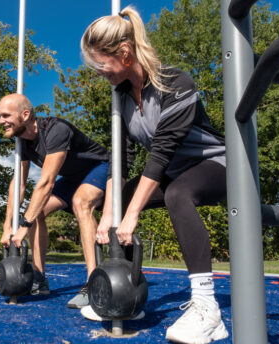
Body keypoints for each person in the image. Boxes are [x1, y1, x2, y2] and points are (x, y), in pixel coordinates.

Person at [80, 6, 229, 343]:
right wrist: (109, 214)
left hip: (216, 165)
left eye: (101, 65)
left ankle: (208, 310)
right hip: (174, 171)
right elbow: (120, 161)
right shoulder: (120, 98)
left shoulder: (176, 83)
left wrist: (129, 216)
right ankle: (127, 296)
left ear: (124, 53)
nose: (99, 73)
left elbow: (160, 154)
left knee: (176, 194)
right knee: (121, 201)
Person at [0, 93, 109, 309]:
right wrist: (7, 226)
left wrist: (23, 225)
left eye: (5, 115)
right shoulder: (22, 142)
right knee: (36, 210)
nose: (0, 121)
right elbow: (18, 184)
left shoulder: (55, 130)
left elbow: (46, 183)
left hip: (100, 167)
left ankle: (94, 282)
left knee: (81, 202)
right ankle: (39, 279)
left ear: (26, 115)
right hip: (71, 179)